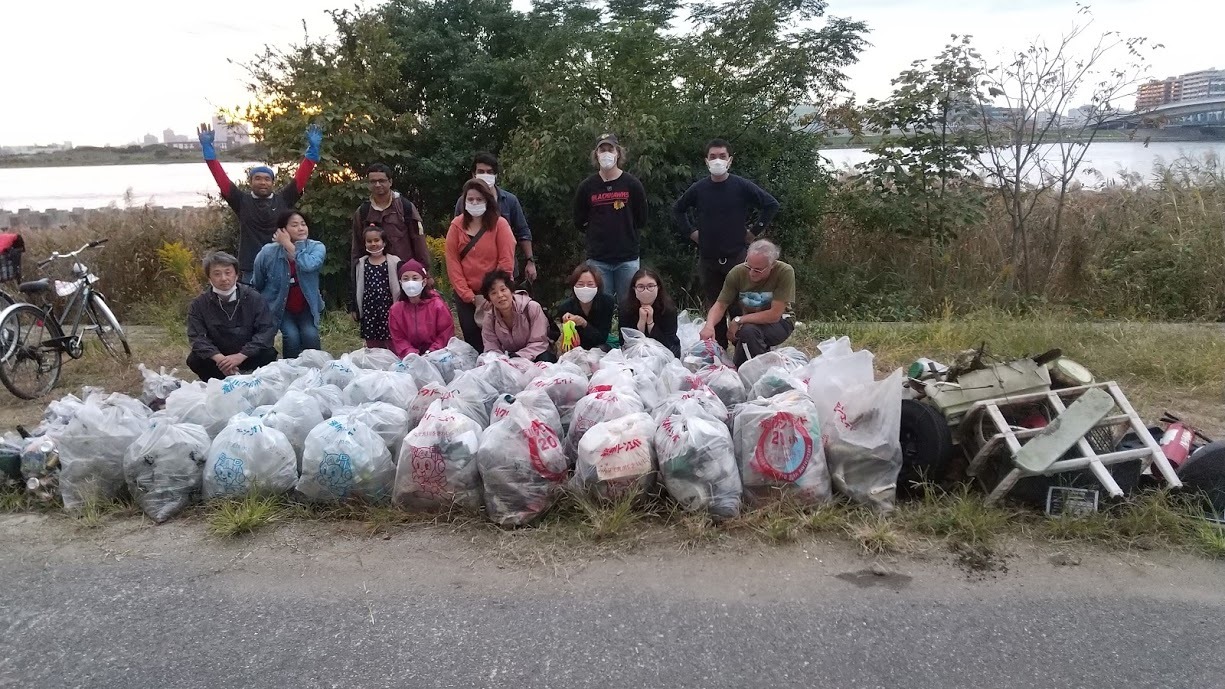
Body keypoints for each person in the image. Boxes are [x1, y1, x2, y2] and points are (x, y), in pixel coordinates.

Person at [673, 138, 780, 348]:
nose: (718, 160)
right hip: (709, 259)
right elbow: (678, 209)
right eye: (713, 157)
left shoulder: (741, 185)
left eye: (722, 156)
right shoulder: (699, 189)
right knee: (715, 307)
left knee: (744, 306)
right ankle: (719, 353)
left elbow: (771, 204)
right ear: (706, 161)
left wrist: (753, 231)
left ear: (730, 160)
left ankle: (747, 348)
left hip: (738, 257)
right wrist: (691, 232)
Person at [197, 123, 322, 281]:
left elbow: (301, 179)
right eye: (257, 178)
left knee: (279, 305)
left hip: (279, 265)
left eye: (267, 179)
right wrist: (209, 153)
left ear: (272, 183)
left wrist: (312, 153)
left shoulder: (283, 199)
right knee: (251, 305)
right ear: (250, 182)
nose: (262, 182)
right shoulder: (241, 201)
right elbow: (221, 179)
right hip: (250, 268)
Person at [573, 133, 647, 301]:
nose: (606, 153)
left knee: (629, 307)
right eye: (602, 149)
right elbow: (578, 219)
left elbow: (641, 218)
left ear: (618, 153)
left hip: (627, 258)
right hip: (598, 259)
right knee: (600, 308)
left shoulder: (632, 184)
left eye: (610, 149)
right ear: (596, 154)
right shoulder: (587, 187)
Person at [699, 240, 795, 367]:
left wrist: (738, 320)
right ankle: (751, 366)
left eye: (758, 270)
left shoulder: (784, 272)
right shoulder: (737, 272)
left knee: (748, 331)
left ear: (772, 265)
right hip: (748, 324)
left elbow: (774, 314)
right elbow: (720, 305)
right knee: (741, 352)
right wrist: (709, 325)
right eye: (749, 266)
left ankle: (760, 372)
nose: (751, 273)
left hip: (780, 322)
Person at [445, 179, 516, 351]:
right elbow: (453, 263)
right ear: (464, 201)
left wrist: (492, 293)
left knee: (500, 339)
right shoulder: (456, 226)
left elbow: (506, 261)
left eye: (479, 199)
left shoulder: (500, 224)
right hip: (467, 296)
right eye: (471, 199)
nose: (475, 203)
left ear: (487, 200)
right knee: (473, 339)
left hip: (496, 293)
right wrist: (469, 296)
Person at [186, 251, 278, 381]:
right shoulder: (199, 304)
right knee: (194, 359)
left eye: (228, 272)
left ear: (236, 275)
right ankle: (218, 382)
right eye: (217, 274)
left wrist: (241, 356)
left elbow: (266, 331)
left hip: (247, 356)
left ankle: (250, 379)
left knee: (268, 353)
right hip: (219, 360)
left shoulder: (253, 298)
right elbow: (196, 337)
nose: (223, 278)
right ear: (209, 278)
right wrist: (219, 358)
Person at [251, 209, 326, 359]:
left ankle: (317, 372)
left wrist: (288, 244)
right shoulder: (267, 252)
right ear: (283, 229)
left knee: (310, 335)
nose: (301, 228)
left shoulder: (316, 247)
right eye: (295, 225)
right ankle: (291, 374)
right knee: (291, 336)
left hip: (306, 306)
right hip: (280, 307)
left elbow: (308, 265)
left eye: (303, 224)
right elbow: (257, 282)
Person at [453, 152, 537, 283]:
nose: (485, 175)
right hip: (471, 278)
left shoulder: (509, 201)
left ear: (495, 175)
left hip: (504, 274)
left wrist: (530, 261)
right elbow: (458, 238)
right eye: (481, 171)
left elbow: (523, 232)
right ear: (473, 174)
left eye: (489, 172)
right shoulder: (463, 203)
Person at [350, 163, 431, 272]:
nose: (377, 185)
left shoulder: (405, 207)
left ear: (390, 182)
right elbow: (357, 248)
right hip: (374, 276)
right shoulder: (363, 212)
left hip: (404, 273)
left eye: (381, 181)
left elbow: (419, 243)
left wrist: (425, 272)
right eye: (373, 182)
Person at [480, 270, 555, 362]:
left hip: (536, 354)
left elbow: (539, 342)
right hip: (510, 359)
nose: (500, 295)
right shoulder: (489, 318)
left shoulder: (532, 307)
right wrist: (502, 360)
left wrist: (518, 356)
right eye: (493, 293)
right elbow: (491, 347)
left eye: (503, 289)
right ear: (489, 299)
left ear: (511, 291)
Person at [348, 224, 402, 350]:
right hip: (369, 310)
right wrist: (354, 308)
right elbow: (355, 287)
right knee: (372, 344)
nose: (373, 244)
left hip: (388, 309)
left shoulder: (394, 261)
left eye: (376, 240)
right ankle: (375, 366)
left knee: (392, 340)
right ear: (364, 244)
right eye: (369, 241)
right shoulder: (361, 264)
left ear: (384, 242)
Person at [388, 259, 455, 357]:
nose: (410, 282)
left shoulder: (438, 306)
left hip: (437, 355)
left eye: (415, 278)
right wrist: (410, 353)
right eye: (406, 279)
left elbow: (445, 333)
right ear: (400, 282)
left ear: (424, 282)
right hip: (409, 358)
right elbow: (398, 338)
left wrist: (431, 352)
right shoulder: (396, 310)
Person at [619, 268, 680, 358]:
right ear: (634, 288)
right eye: (641, 287)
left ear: (658, 287)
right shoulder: (626, 307)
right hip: (635, 353)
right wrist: (641, 323)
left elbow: (669, 342)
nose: (646, 290)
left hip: (664, 351)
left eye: (650, 286)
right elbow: (624, 341)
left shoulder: (668, 308)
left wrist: (650, 323)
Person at [554, 263, 616, 351]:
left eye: (590, 284)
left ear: (598, 286)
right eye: (580, 284)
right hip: (577, 349)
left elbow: (601, 338)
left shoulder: (607, 302)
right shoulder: (566, 307)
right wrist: (566, 326)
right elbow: (567, 343)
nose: (585, 288)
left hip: (599, 348)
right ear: (573, 285)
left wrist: (584, 324)